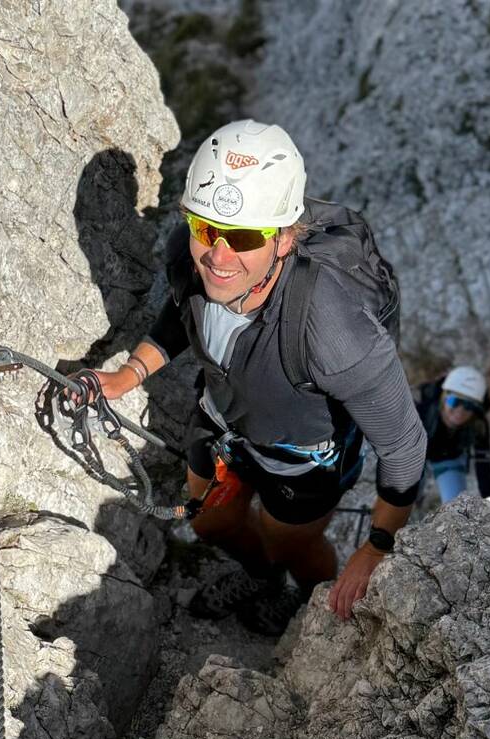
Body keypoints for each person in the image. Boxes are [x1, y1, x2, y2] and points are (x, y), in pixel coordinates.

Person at [84, 120, 426, 634]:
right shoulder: (189, 252)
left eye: (243, 237)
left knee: (288, 541)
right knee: (209, 522)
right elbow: (181, 315)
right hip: (222, 422)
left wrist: (377, 546)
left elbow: (404, 446)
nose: (218, 256)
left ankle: (302, 594)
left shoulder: (332, 329)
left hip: (302, 462)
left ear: (284, 240)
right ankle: (261, 576)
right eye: (205, 228)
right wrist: (131, 374)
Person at [414, 366, 490, 504]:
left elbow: (483, 469)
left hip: (448, 458)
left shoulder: (478, 424)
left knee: (456, 507)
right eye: (455, 401)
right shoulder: (422, 409)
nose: (460, 411)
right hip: (414, 455)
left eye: (470, 406)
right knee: (405, 497)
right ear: (444, 397)